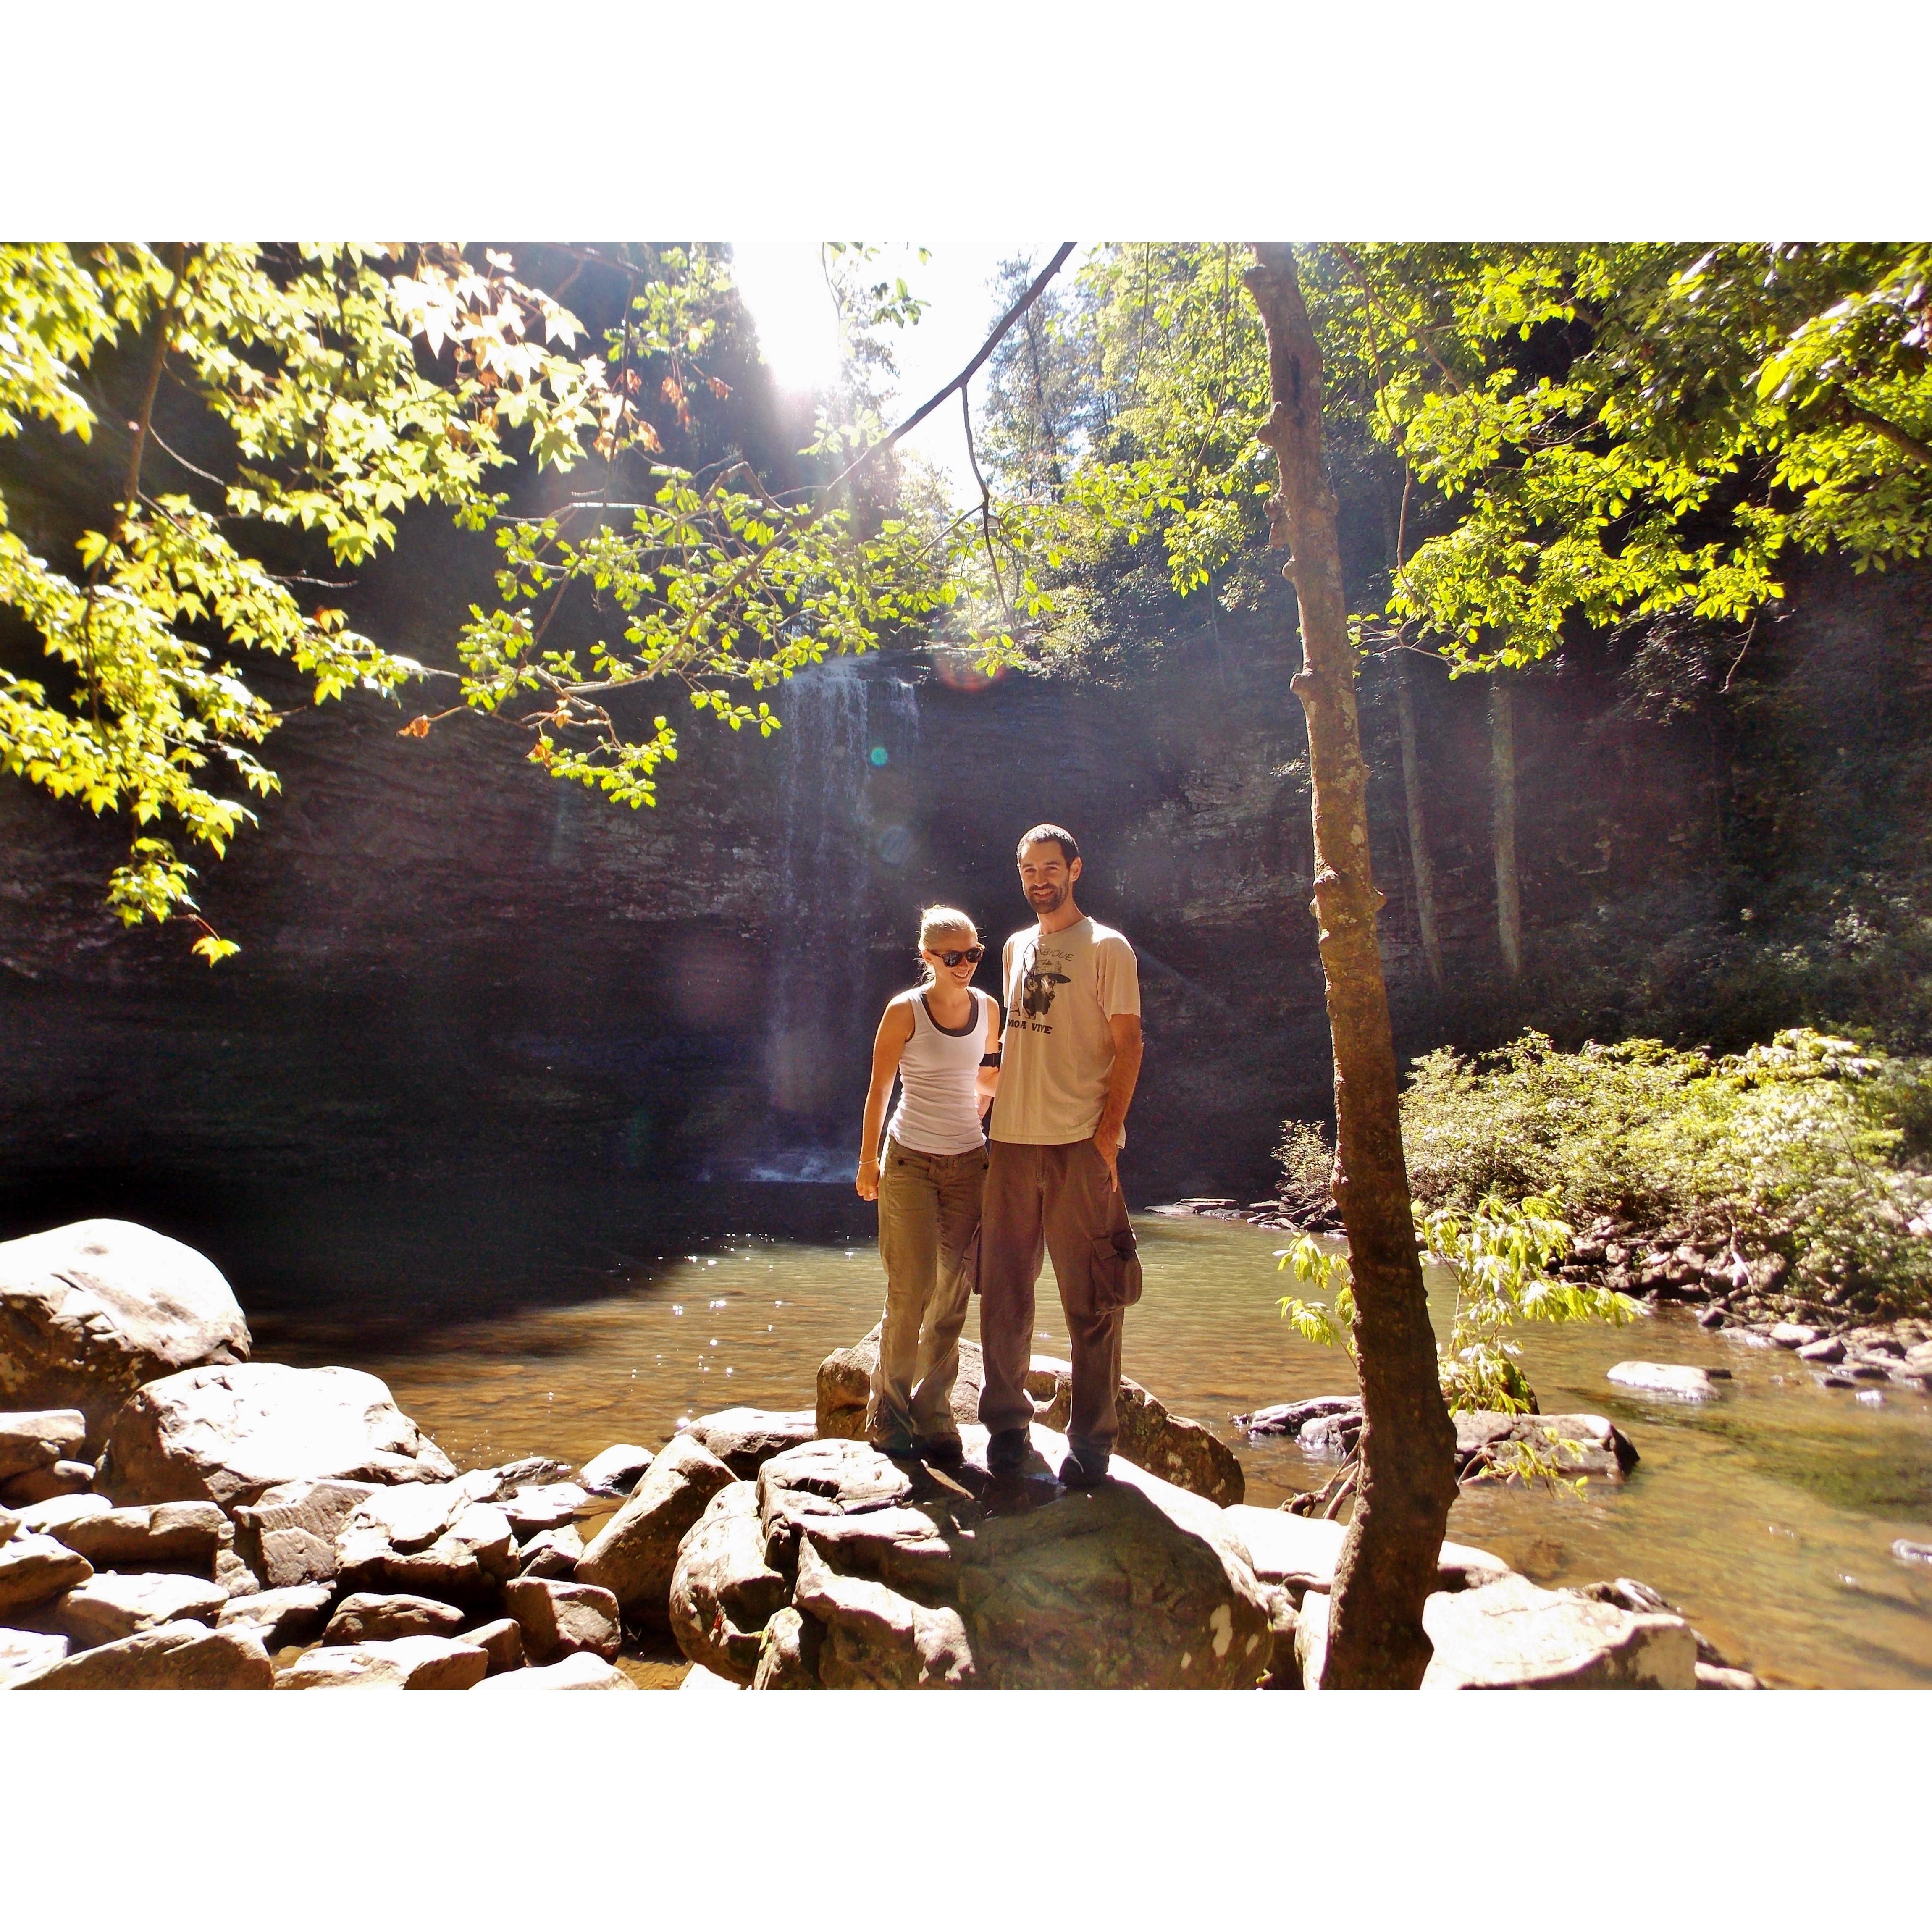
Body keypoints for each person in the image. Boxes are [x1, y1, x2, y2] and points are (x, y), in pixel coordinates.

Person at [979, 823, 1144, 1485]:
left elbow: (1128, 1043)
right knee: (1005, 1293)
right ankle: (1007, 1429)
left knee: (1092, 1297)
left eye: (1051, 868)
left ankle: (1093, 1444)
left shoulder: (1107, 947)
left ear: (1076, 869)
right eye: (1029, 870)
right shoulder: (1016, 945)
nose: (1039, 880)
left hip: (1080, 1143)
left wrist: (1107, 1135)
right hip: (1013, 1143)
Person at [853, 906, 1003, 1460]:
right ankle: (888, 1414)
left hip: (969, 1164)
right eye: (953, 957)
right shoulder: (904, 1012)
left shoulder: (989, 1008)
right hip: (910, 1161)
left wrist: (985, 1107)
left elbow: (987, 1074)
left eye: (974, 954)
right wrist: (868, 1162)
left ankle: (935, 1413)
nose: (966, 965)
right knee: (911, 1288)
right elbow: (879, 1091)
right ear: (928, 958)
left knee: (953, 1294)